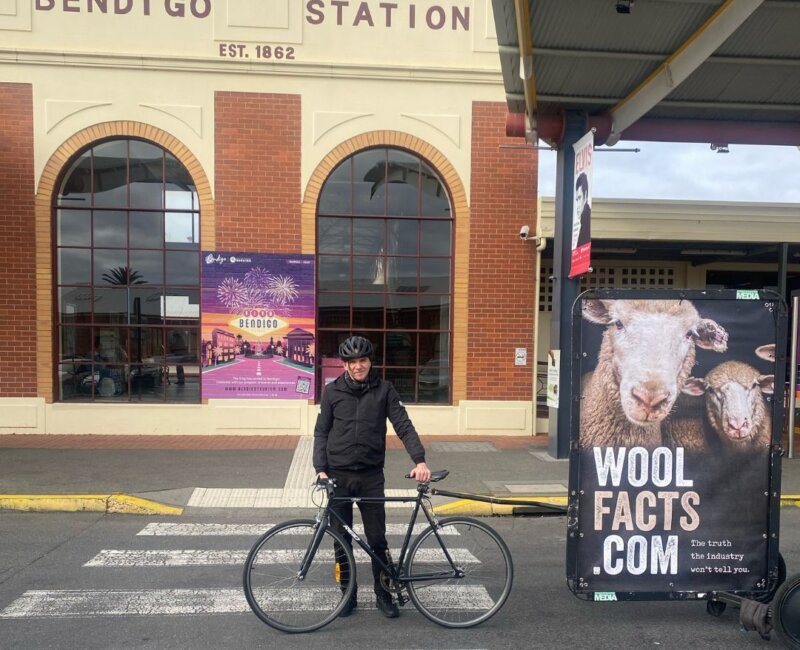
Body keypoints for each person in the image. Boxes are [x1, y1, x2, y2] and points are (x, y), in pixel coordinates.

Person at [313, 335, 431, 619]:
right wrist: (320, 468)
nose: (358, 366)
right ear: (344, 364)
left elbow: (403, 426)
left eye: (362, 360)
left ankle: (383, 594)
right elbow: (321, 432)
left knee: (377, 539)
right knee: (341, 539)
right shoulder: (332, 393)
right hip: (338, 476)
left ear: (370, 361)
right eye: (352, 362)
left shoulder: (384, 391)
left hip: (370, 475)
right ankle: (347, 595)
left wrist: (420, 460)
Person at [573, 171, 591, 248]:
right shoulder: (582, 223)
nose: (577, 206)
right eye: (576, 199)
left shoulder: (586, 223)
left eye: (579, 198)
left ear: (586, 195)